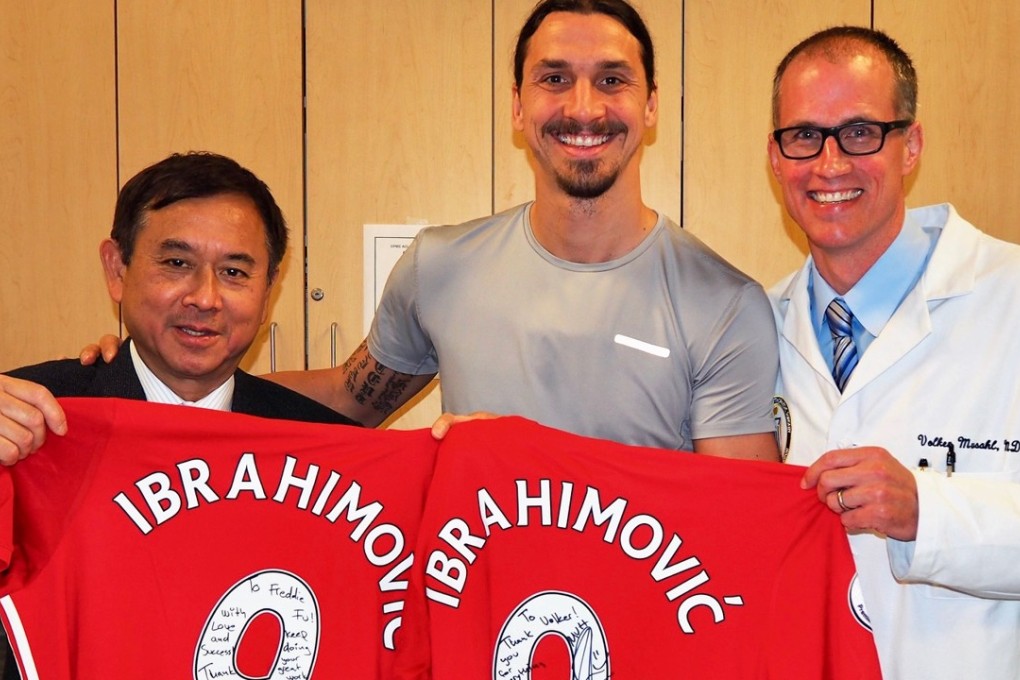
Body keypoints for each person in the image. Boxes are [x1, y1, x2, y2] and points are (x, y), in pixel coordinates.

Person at [273, 0, 777, 458]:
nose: (583, 108)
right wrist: (198, 397)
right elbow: (348, 400)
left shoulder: (724, 305)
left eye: (612, 80)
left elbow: (732, 523)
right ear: (517, 105)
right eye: (554, 79)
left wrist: (531, 461)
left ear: (651, 105)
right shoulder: (438, 267)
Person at [768, 26, 1020, 679]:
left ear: (911, 146)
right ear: (775, 158)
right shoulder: (748, 330)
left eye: (860, 132)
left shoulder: (1009, 299)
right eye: (803, 136)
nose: (829, 164)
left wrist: (929, 513)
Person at [0, 151, 360, 466]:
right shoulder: (28, 417)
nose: (205, 299)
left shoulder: (321, 446)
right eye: (176, 263)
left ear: (267, 291)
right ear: (117, 269)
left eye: (233, 272)